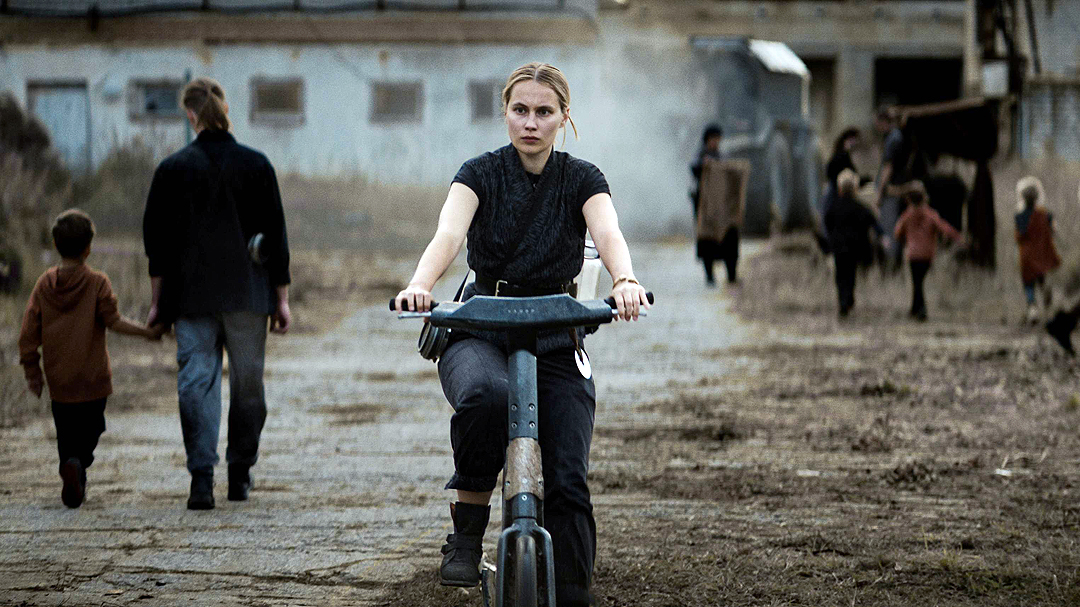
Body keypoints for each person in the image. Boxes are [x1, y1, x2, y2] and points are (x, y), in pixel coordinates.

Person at [393, 62, 649, 606]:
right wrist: (419, 285)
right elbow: (449, 234)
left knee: (568, 479)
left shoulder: (583, 178)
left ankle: (572, 593)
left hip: (555, 333)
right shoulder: (479, 173)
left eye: (544, 112)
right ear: (506, 113)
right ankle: (466, 535)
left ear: (563, 117)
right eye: (520, 110)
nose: (531, 122)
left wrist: (625, 280)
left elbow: (608, 232)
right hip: (481, 327)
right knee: (488, 397)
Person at [142, 77, 291, 510]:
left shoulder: (171, 170)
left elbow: (158, 246)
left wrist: (157, 303)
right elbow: (275, 239)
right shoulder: (257, 165)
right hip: (248, 296)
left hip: (191, 299)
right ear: (225, 112)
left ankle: (201, 480)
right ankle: (239, 472)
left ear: (191, 116)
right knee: (248, 387)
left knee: (196, 384)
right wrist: (281, 299)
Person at [18, 209, 162, 508]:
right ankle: (78, 464)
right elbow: (114, 321)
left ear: (56, 245)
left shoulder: (44, 285)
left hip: (59, 380)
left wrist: (33, 371)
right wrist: (147, 333)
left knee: (66, 433)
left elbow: (28, 332)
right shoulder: (97, 283)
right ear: (88, 248)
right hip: (93, 379)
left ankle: (70, 467)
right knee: (91, 430)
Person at [893, 182, 962, 321]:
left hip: (913, 254)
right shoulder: (931, 214)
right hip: (927, 254)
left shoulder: (907, 215)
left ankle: (920, 309)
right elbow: (944, 228)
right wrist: (958, 238)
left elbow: (897, 232)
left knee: (917, 282)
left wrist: (904, 241)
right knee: (919, 282)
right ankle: (915, 308)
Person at [824, 169, 885, 318]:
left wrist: (830, 239)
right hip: (854, 247)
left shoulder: (833, 207)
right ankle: (849, 298)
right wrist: (882, 236)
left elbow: (827, 223)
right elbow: (873, 222)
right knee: (851, 274)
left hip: (838, 247)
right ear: (855, 189)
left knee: (840, 275)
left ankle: (842, 302)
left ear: (839, 188)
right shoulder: (860, 207)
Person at [690, 123, 739, 285]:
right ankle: (709, 276)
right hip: (706, 208)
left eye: (717, 139)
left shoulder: (721, 156)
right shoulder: (701, 156)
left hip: (722, 207)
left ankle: (732, 275)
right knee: (707, 242)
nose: (716, 142)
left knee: (729, 239)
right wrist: (704, 164)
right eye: (713, 139)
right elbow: (694, 168)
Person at [1014, 176, 1060, 324]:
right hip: (1042, 254)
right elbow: (1052, 232)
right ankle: (1048, 310)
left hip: (1027, 255)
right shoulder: (1046, 215)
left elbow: (1019, 236)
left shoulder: (1020, 215)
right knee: (1043, 281)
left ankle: (1032, 308)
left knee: (1028, 283)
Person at [874, 108, 909, 269]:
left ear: (883, 122)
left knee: (889, 228)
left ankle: (891, 265)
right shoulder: (895, 137)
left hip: (890, 191)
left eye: (877, 123)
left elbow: (888, 168)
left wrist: (879, 194)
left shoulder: (893, 139)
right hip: (895, 189)